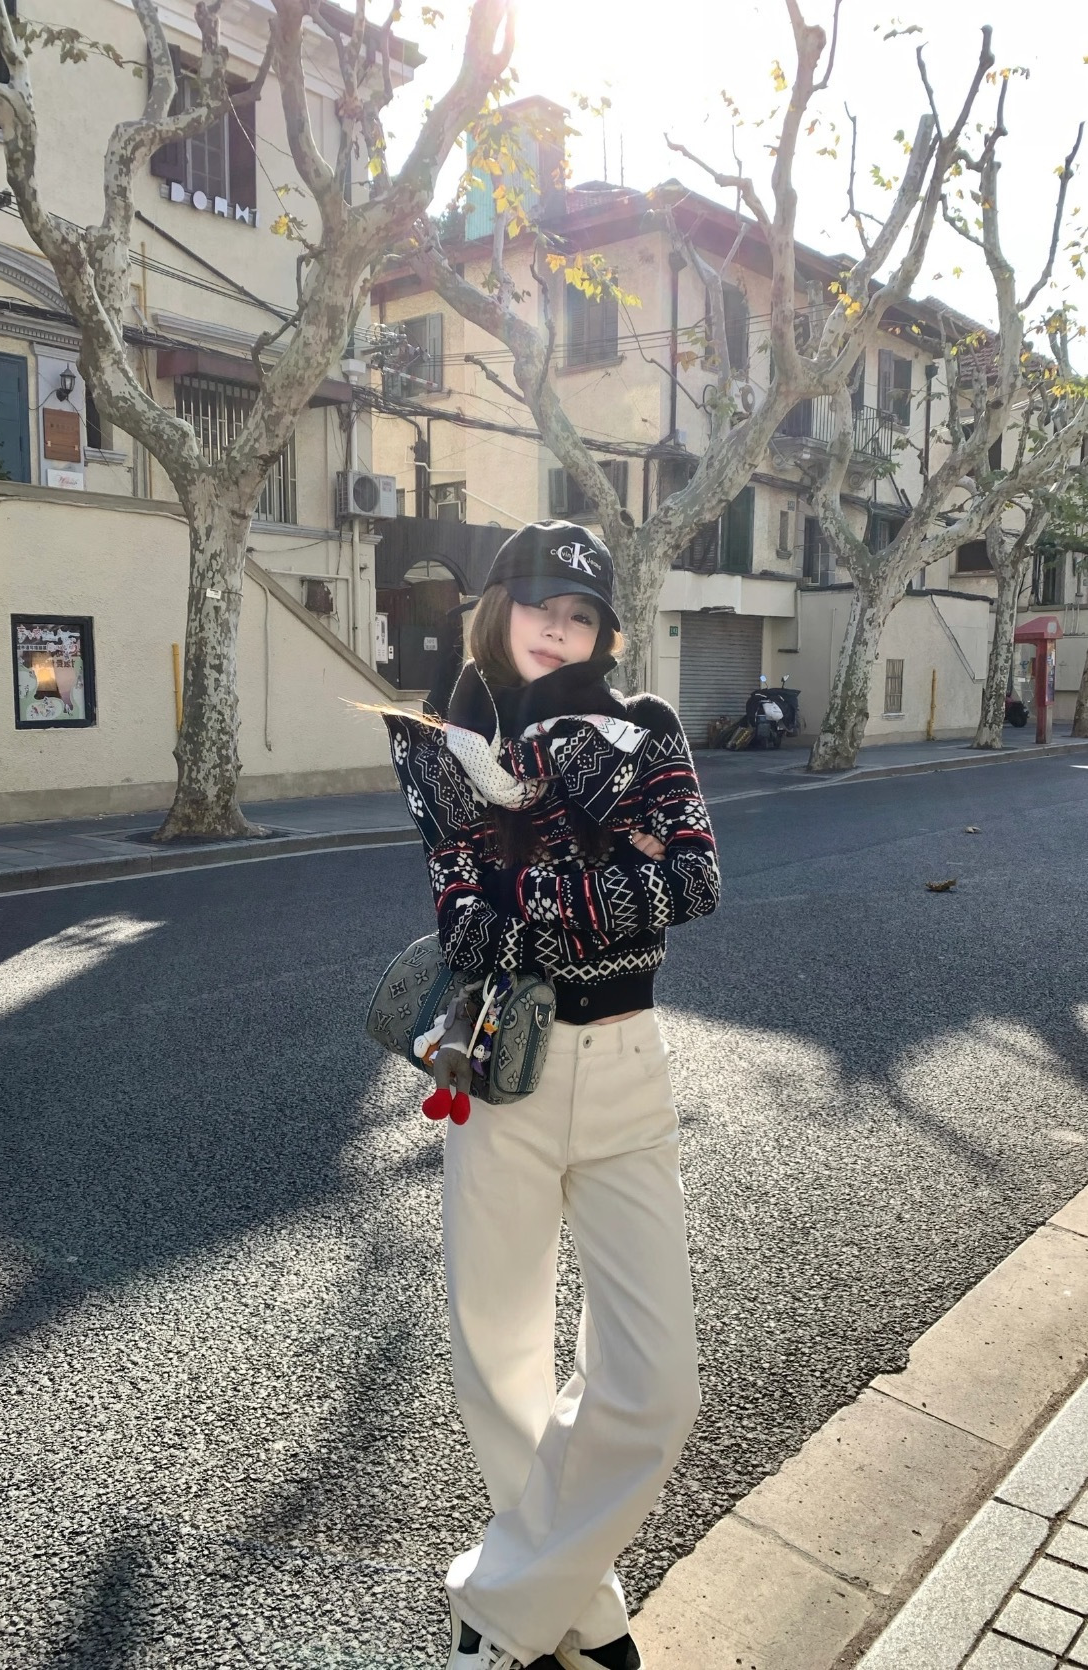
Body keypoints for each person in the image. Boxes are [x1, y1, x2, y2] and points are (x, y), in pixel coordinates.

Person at [380, 520, 721, 1670]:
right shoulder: (451, 742)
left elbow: (694, 879)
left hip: (627, 1064)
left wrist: (530, 875)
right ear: (498, 611)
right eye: (539, 606)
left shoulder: (646, 727)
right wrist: (603, 873)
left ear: (605, 633)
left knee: (656, 1381)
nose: (558, 629)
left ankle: (499, 1603)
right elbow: (464, 924)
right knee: (500, 1358)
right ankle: (583, 1610)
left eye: (582, 616)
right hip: (501, 1068)